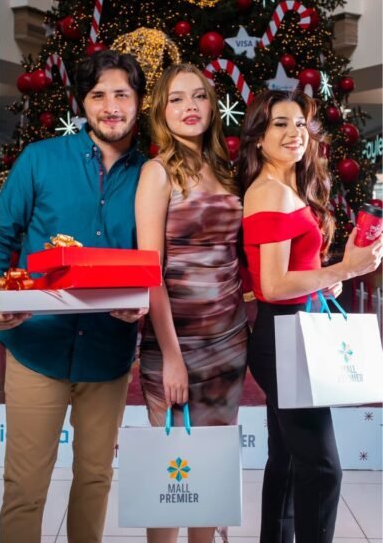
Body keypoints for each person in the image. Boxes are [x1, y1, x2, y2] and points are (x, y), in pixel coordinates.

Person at [0, 50, 148, 543]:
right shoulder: (40, 159)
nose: (111, 106)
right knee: (25, 486)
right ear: (82, 103)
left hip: (108, 352)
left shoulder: (152, 175)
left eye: (121, 94)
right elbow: (0, 236)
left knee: (95, 478)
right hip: (36, 345)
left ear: (139, 102)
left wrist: (140, 300)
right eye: (98, 95)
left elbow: (154, 257)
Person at [238, 89, 382, 543]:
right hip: (286, 338)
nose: (294, 132)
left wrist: (324, 280)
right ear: (257, 136)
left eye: (299, 123)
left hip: (288, 333)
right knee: (322, 469)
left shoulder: (284, 190)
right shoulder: (271, 194)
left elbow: (290, 275)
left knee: (287, 460)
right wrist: (345, 269)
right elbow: (273, 285)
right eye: (280, 123)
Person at [135, 64, 248, 543]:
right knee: (171, 475)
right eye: (177, 98)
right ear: (162, 110)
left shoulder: (226, 170)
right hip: (175, 342)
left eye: (198, 96)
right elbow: (150, 273)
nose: (190, 107)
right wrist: (173, 358)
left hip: (229, 341)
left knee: (209, 478)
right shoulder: (157, 173)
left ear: (212, 106)